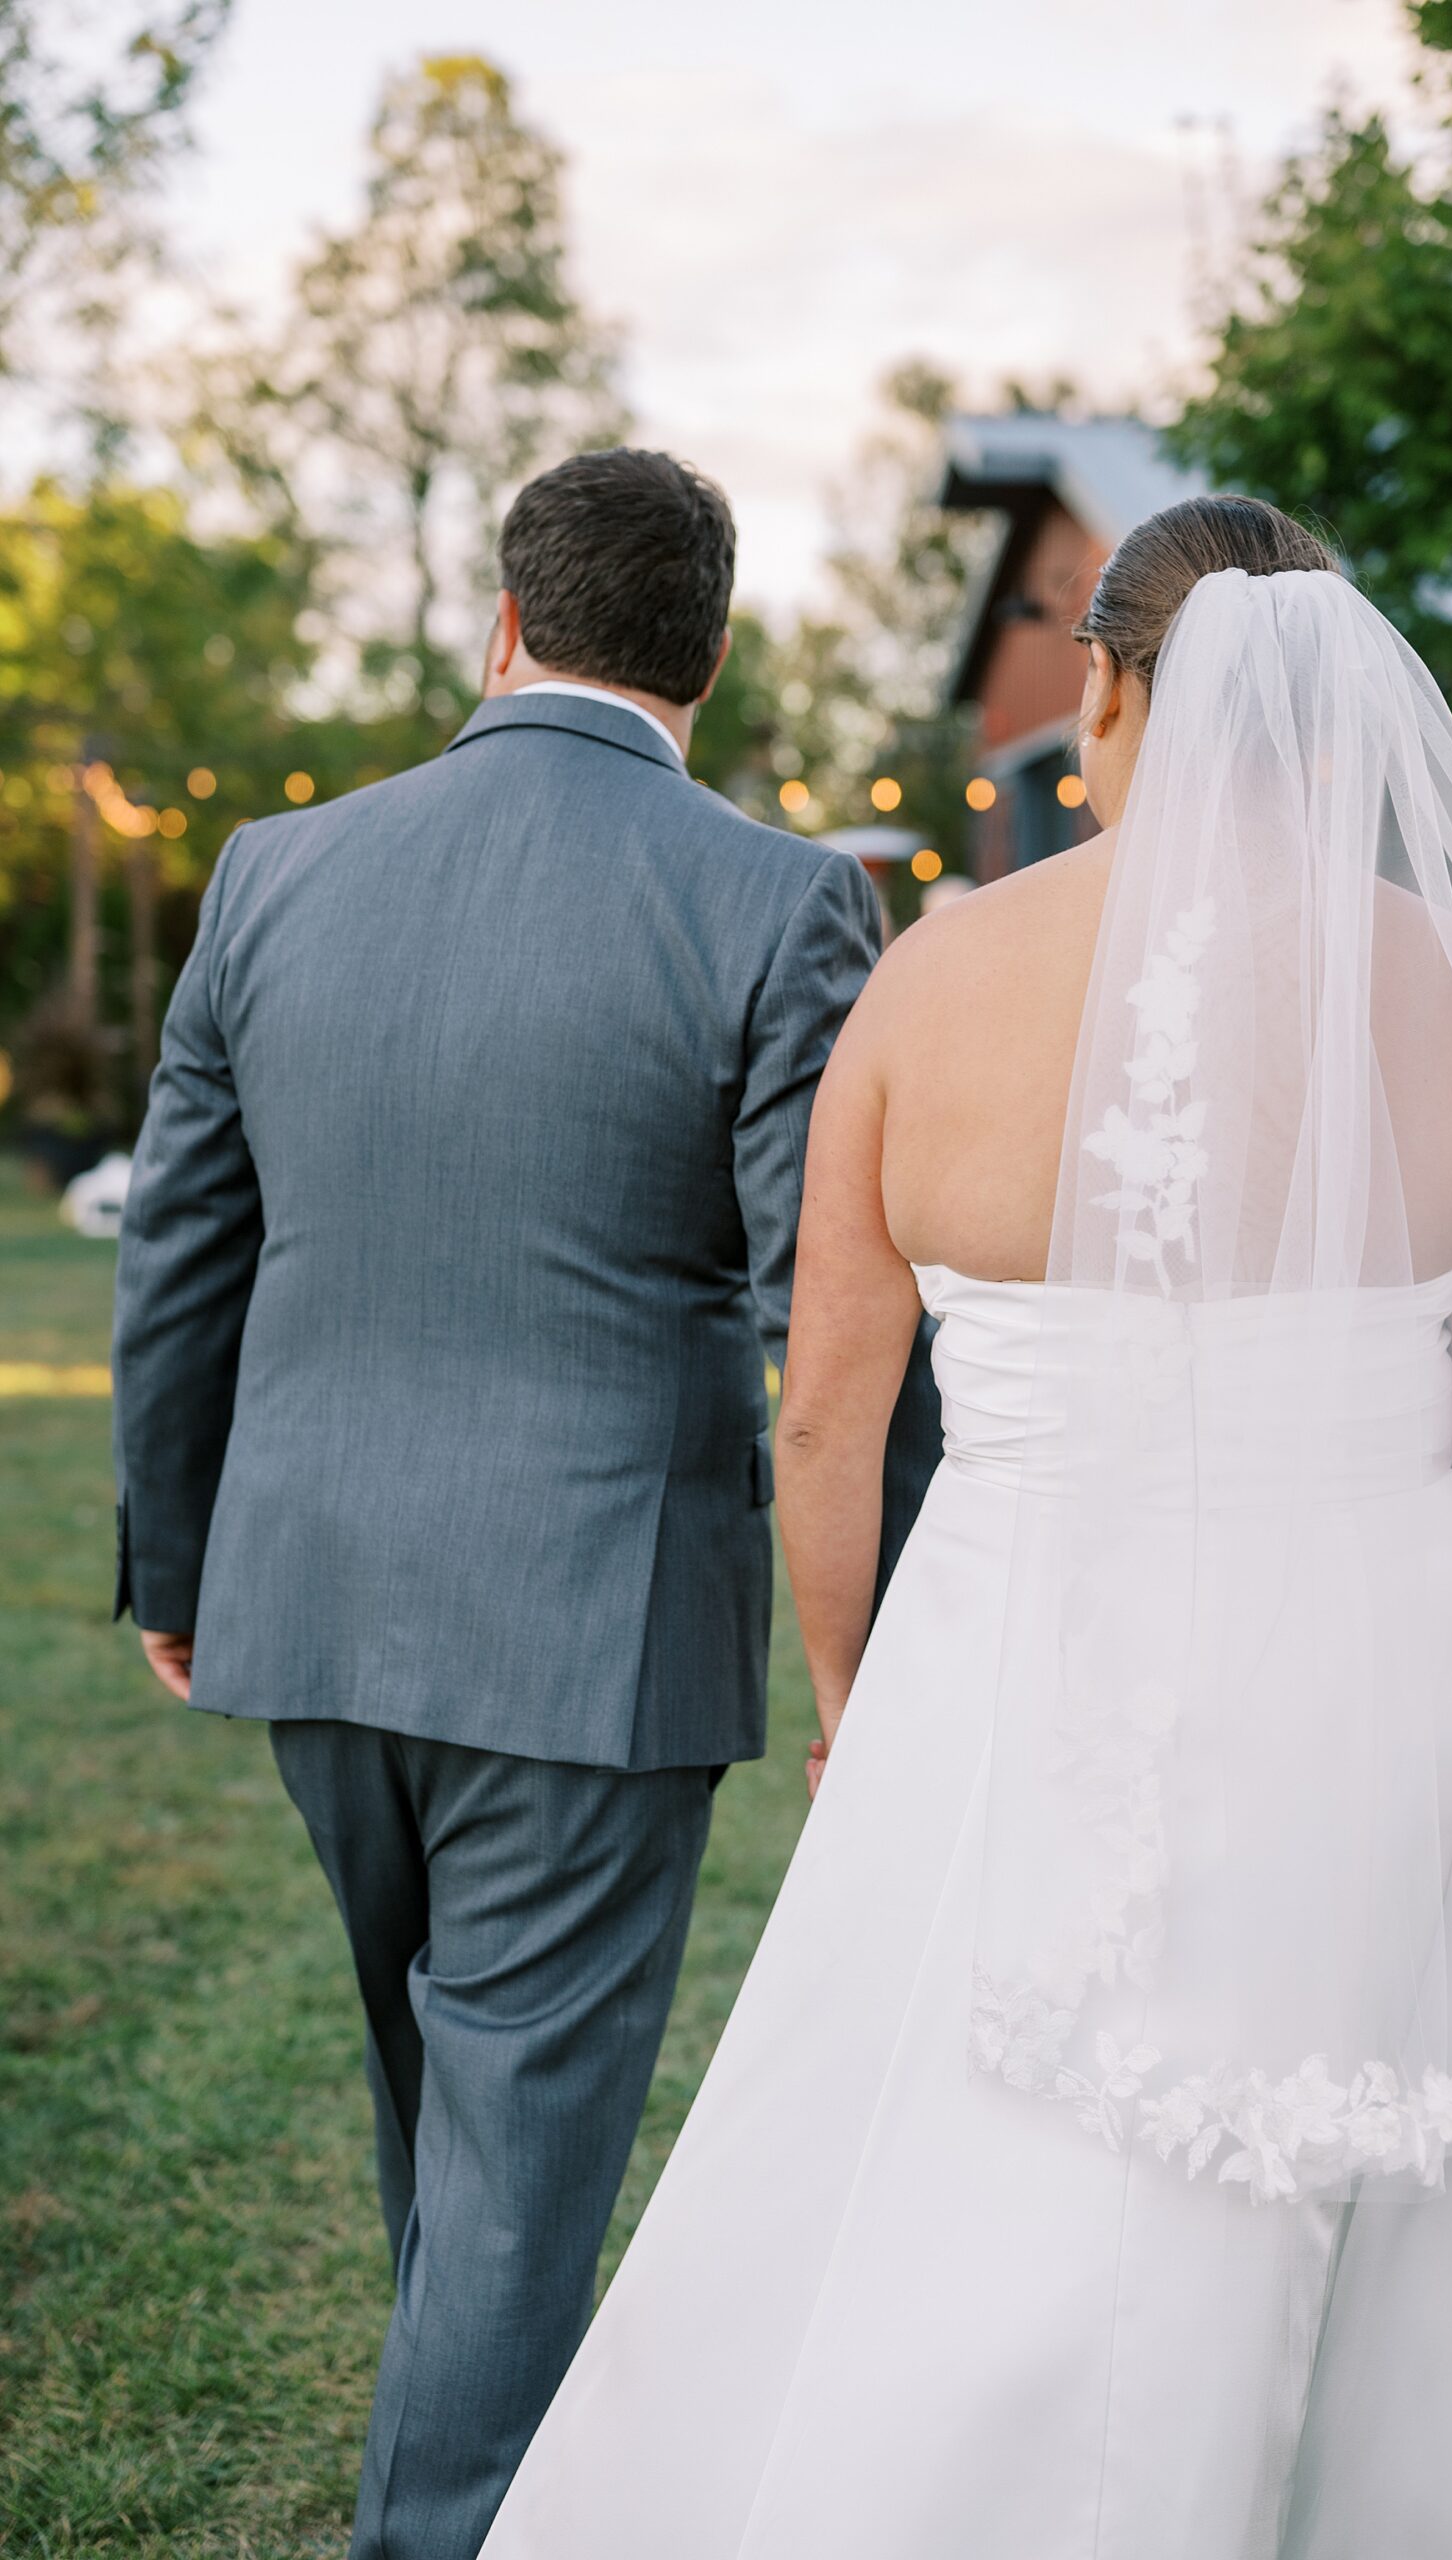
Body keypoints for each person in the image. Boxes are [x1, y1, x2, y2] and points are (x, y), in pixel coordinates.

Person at [481, 498, 1452, 2558]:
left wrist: (851, 1701)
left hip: (1004, 1653)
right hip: (1366, 1651)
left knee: (953, 2158)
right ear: (1338, 717)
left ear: (1100, 688)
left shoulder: (936, 977)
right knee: (1333, 2155)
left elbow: (825, 1411)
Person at [110, 446, 940, 2560]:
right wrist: (906, 1622)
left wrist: (171, 1554)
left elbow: (182, 1247)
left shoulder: (275, 871)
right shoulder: (776, 897)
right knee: (505, 2151)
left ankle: (460, 2472)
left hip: (306, 1598)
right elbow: (825, 1319)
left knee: (454, 2127)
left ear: (502, 619)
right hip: (588, 1628)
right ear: (714, 656)